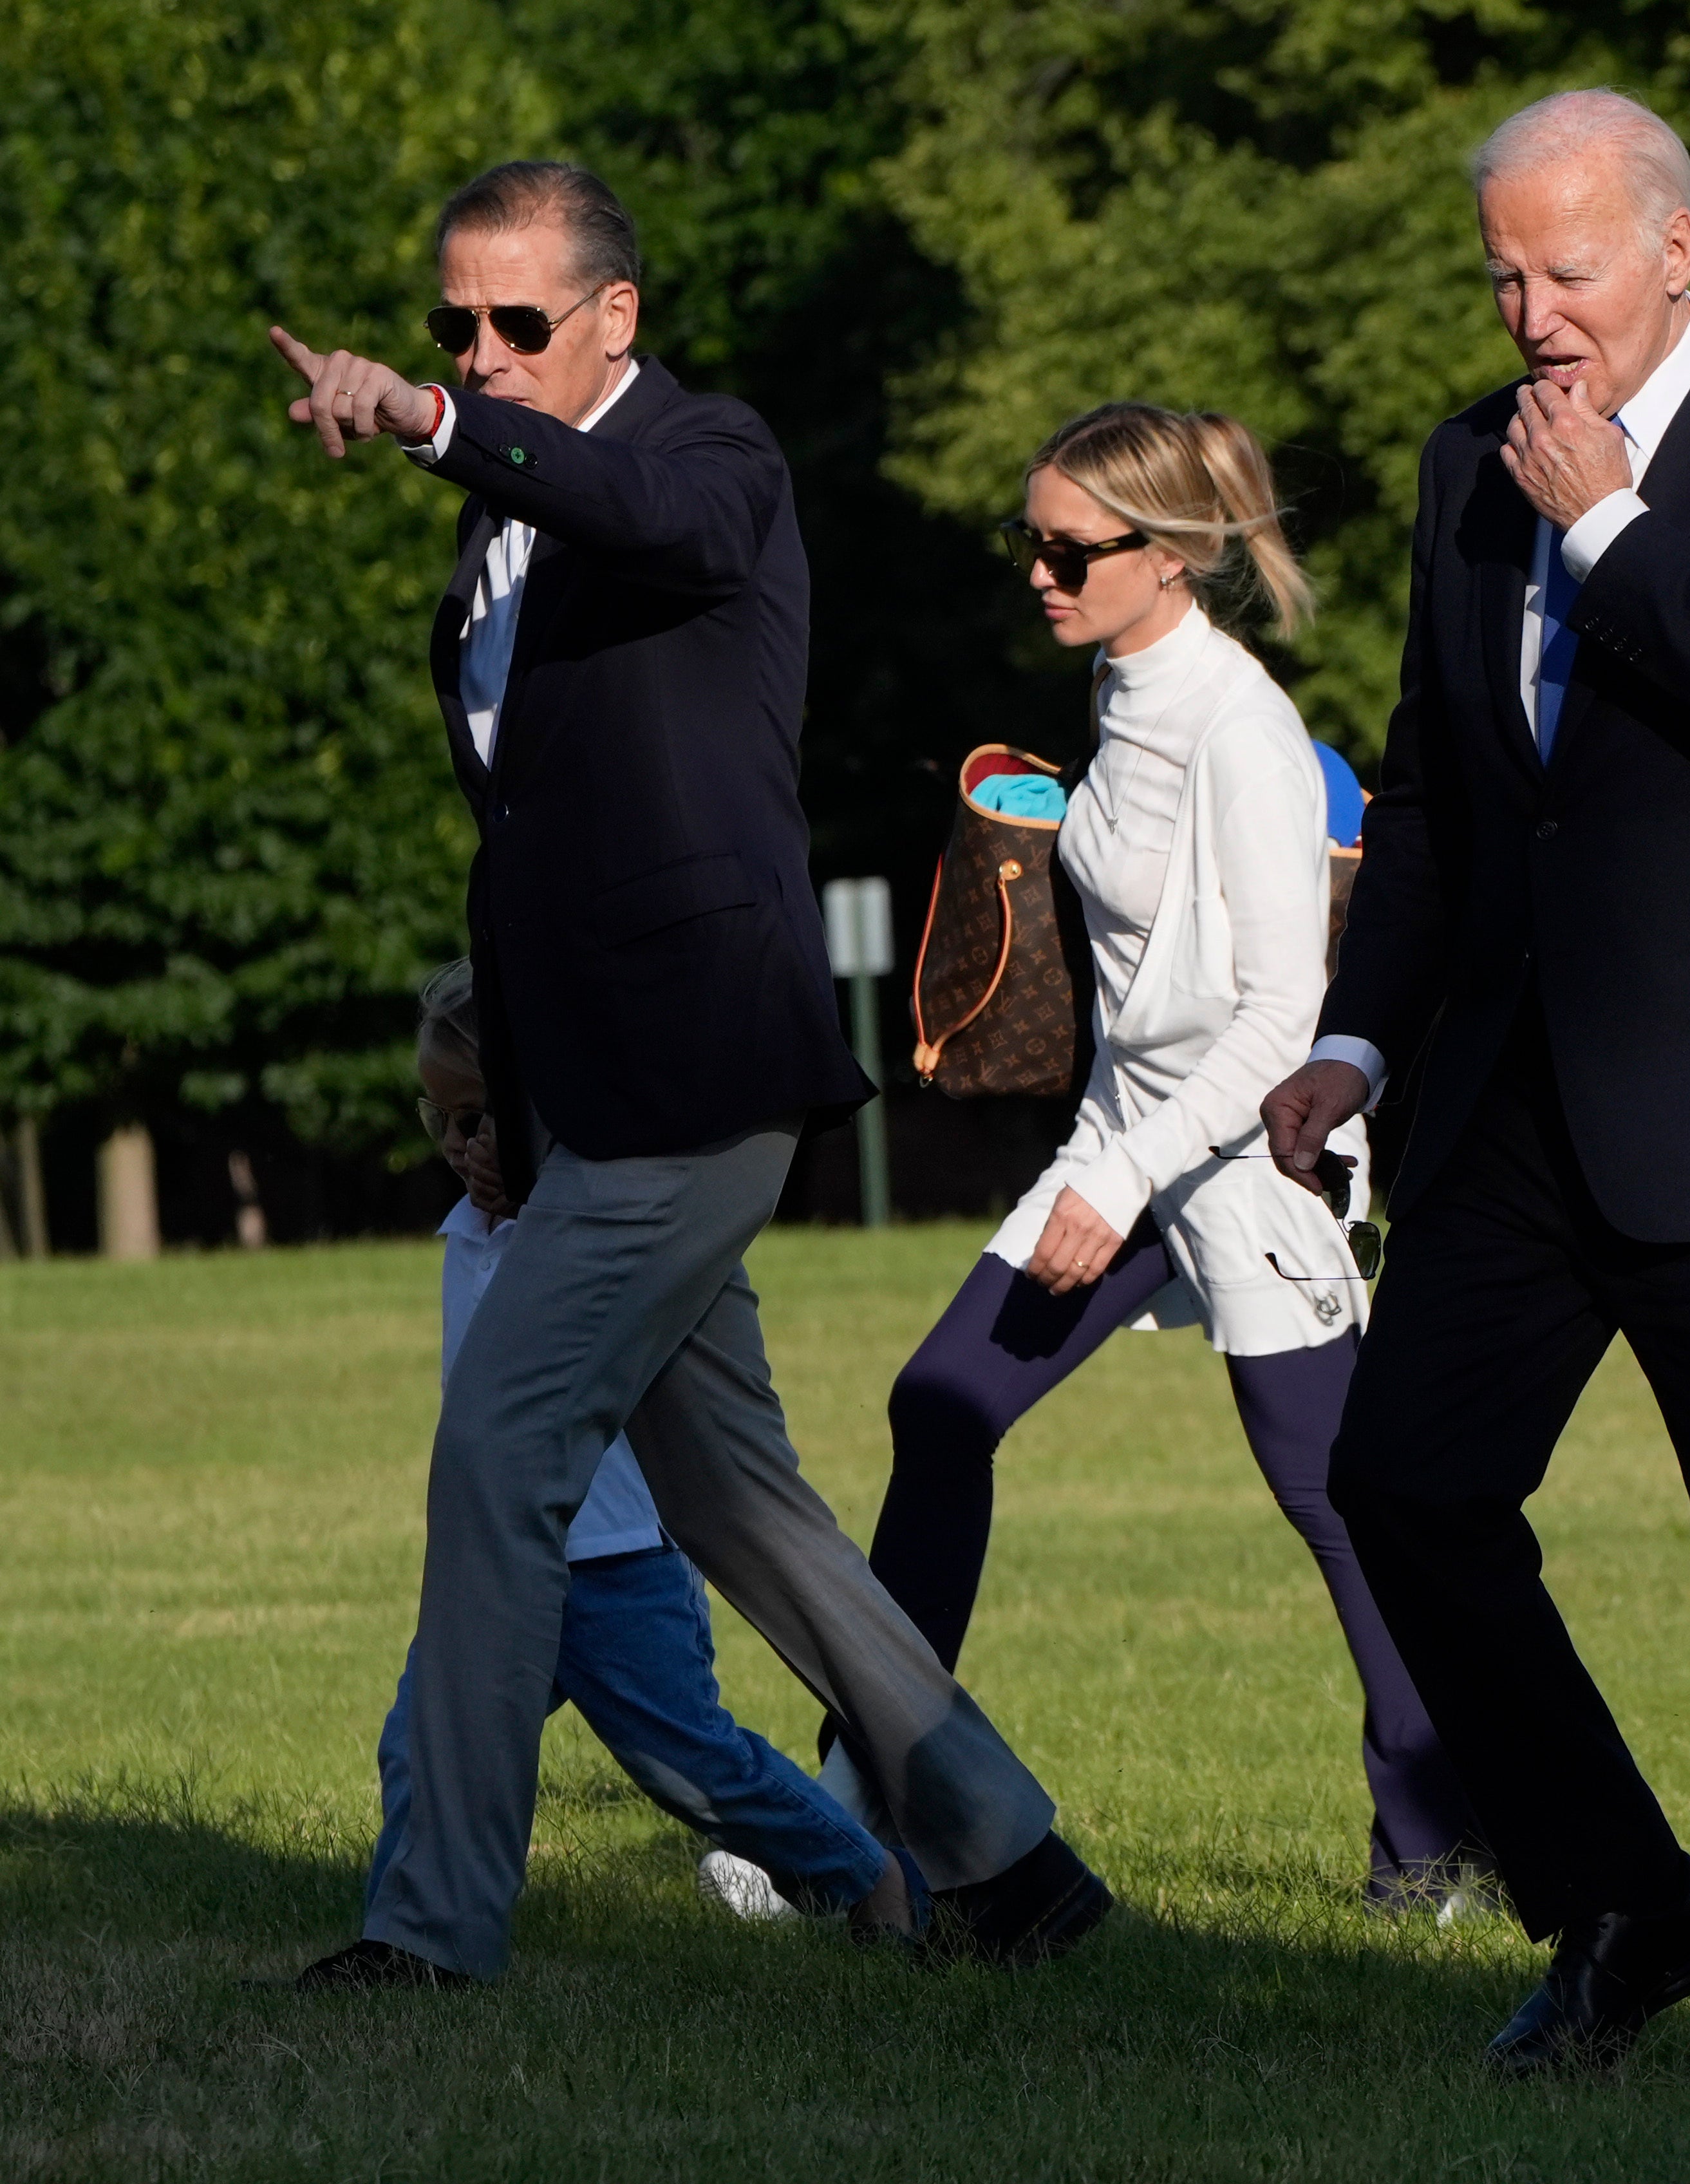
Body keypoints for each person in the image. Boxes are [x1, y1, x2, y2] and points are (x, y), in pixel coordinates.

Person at [267, 158, 1102, 1988]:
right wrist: (493, 1082)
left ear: (617, 318)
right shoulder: (492, 533)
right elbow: (534, 848)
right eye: (447, 332)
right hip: (591, 1095)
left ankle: (430, 1933)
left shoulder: (710, 460)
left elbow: (635, 511)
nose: (478, 358)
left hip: (701, 1075)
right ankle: (1012, 1864)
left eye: (514, 326)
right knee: (741, 1504)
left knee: (497, 1455)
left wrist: (420, 422)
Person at [1259, 88, 1690, 2080]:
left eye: (1564, 271)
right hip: (1513, 1101)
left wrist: (1613, 526)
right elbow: (1438, 786)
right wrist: (1356, 1036)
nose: (1532, 315)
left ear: (1671, 252)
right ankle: (1627, 1912)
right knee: (1402, 1482)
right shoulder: (1466, 463)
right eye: (1501, 277)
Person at [857, 402, 1483, 1912]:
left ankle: (1443, 1840)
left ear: (1175, 553)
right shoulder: (1120, 690)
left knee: (1341, 1505)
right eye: (1031, 541)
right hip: (1126, 1137)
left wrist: (1123, 1176)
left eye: (1070, 549)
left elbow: (1280, 1015)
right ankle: (862, 1806)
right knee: (940, 1408)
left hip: (1242, 1157)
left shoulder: (1241, 728)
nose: (1040, 573)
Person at [379, 963, 889, 1929]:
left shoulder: (598, 1235)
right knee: (421, 1744)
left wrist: (535, 1200)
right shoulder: (465, 1232)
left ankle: (865, 1878)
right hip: (502, 1558)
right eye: (438, 1120)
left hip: (618, 1565)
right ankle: (405, 1935)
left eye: (480, 1118)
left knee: (688, 1765)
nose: (458, 1145)